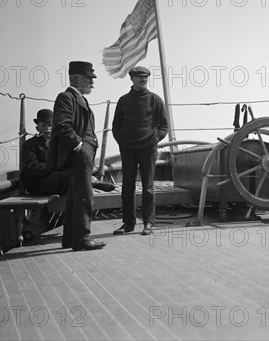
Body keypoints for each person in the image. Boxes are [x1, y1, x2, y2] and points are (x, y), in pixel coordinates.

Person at [46, 61, 106, 251]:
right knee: (84, 197)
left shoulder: (79, 98)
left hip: (83, 156)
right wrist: (79, 146)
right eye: (89, 79)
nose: (92, 83)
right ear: (77, 78)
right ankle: (81, 239)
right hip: (79, 156)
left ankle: (70, 239)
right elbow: (63, 126)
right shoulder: (66, 97)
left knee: (75, 197)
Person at [112, 66, 169, 236]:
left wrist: (154, 140)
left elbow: (164, 125)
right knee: (127, 187)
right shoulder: (123, 100)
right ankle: (128, 223)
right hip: (128, 149)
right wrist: (122, 141)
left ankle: (148, 223)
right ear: (132, 79)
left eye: (145, 78)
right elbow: (116, 126)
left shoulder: (155, 99)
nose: (143, 80)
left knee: (148, 186)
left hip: (148, 149)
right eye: (139, 78)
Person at [22, 109, 69, 196]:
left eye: (51, 125)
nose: (48, 129)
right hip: (38, 183)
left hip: (55, 180)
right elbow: (32, 167)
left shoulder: (59, 144)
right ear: (37, 128)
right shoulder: (30, 144)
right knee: (68, 178)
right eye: (44, 126)